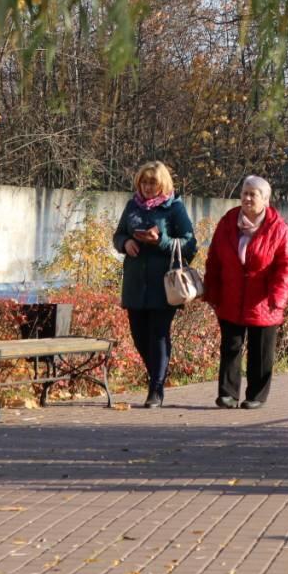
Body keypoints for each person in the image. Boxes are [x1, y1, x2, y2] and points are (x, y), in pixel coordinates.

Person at [202, 175, 288, 410]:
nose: (246, 198)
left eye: (252, 194)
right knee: (230, 348)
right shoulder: (228, 222)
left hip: (263, 300)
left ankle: (256, 395)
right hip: (231, 296)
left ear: (265, 199)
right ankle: (227, 394)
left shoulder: (278, 228)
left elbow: (287, 264)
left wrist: (278, 296)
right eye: (244, 193)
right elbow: (214, 258)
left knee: (260, 352)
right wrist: (212, 290)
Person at [112, 161, 197, 408]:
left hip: (164, 285)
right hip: (136, 282)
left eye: (153, 183)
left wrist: (160, 241)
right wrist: (125, 243)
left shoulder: (174, 208)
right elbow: (118, 235)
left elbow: (190, 244)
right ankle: (158, 375)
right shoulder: (132, 205)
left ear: (163, 184)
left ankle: (156, 389)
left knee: (158, 335)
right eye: (144, 182)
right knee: (139, 336)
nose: (148, 187)